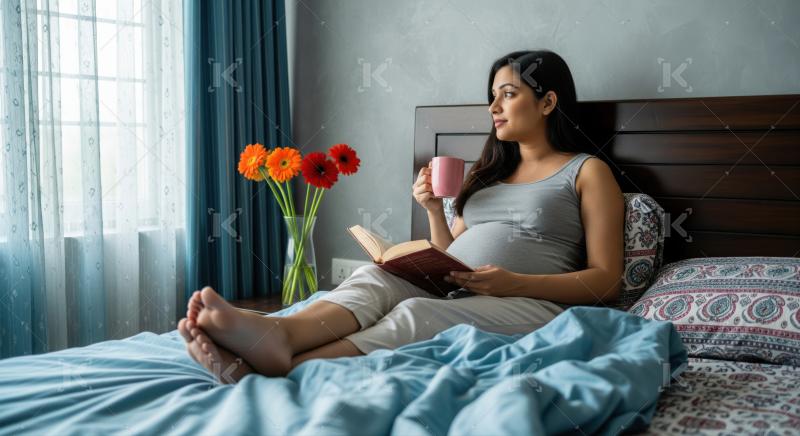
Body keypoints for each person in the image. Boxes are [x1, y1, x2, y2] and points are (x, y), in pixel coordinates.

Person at [177, 49, 624, 384]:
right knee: (374, 278)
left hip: (534, 306)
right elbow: (454, 256)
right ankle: (278, 334)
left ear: (547, 102)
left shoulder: (586, 171)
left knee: (415, 312)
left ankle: (290, 367)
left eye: (508, 95)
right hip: (460, 291)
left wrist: (514, 283)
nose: (493, 109)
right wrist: (432, 210)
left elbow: (607, 281)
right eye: (493, 97)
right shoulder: (488, 174)